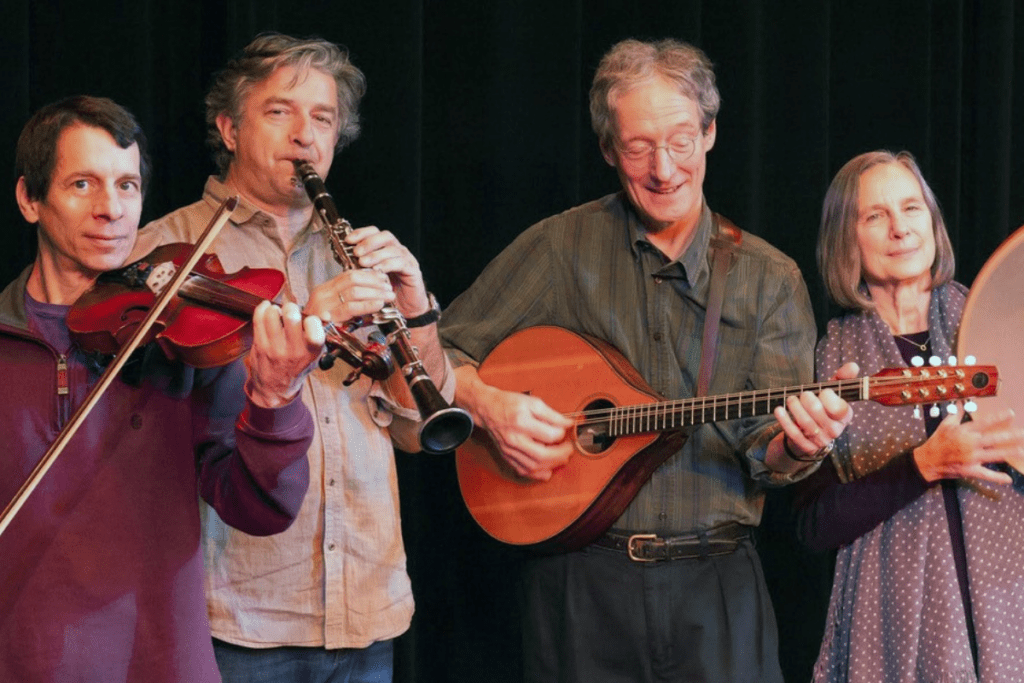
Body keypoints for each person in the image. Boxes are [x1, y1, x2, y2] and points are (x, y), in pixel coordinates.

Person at [439, 38, 854, 682]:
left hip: (718, 592)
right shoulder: (558, 247)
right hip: (581, 588)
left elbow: (771, 454)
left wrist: (802, 444)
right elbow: (435, 350)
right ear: (608, 149)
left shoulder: (769, 277)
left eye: (682, 140)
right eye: (637, 147)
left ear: (711, 133)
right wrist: (489, 406)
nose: (664, 169)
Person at [134, 33, 455, 682]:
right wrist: (316, 320)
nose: (306, 135)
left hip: (367, 608)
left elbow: (421, 432)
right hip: (236, 614)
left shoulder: (360, 255)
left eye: (324, 118)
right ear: (228, 128)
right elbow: (145, 444)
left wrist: (417, 312)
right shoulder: (165, 253)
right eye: (280, 112)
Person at [0, 95, 324, 682]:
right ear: (29, 198)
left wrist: (274, 401)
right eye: (82, 184)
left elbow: (259, 508)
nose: (112, 210)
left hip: (160, 663)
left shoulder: (182, 337)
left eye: (127, 186)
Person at [793, 150, 1024, 682]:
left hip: (1005, 601)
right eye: (875, 216)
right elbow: (813, 526)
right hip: (890, 628)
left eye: (912, 208)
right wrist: (921, 465)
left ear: (933, 221)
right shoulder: (830, 360)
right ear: (845, 239)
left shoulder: (994, 325)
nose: (900, 229)